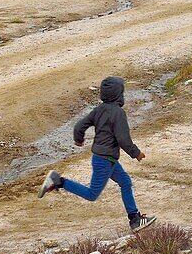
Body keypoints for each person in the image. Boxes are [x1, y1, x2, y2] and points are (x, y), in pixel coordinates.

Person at [37, 77, 157, 233]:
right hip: (105, 160)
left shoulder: (99, 110)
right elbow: (123, 138)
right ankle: (58, 181)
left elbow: (79, 126)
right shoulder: (118, 113)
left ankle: (135, 219)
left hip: (106, 159)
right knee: (92, 194)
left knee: (126, 182)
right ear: (118, 94)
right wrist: (136, 153)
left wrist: (79, 139)